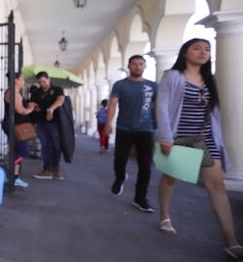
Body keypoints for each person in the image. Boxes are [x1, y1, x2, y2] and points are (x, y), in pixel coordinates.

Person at [156, 38, 243, 260]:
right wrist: (166, 137)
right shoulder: (172, 76)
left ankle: (230, 241)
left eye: (207, 49)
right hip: (180, 136)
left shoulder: (209, 80)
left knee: (217, 185)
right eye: (197, 48)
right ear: (185, 52)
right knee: (171, 178)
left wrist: (220, 139)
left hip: (207, 138)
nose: (203, 52)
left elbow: (214, 113)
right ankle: (165, 215)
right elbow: (163, 107)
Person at [104, 55, 157, 213]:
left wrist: (163, 129)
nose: (137, 66)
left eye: (140, 64)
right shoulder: (120, 85)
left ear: (145, 66)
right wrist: (108, 124)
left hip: (146, 129)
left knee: (145, 166)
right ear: (129, 66)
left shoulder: (153, 86)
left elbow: (159, 106)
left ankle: (140, 198)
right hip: (124, 128)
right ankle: (120, 177)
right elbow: (113, 105)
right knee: (119, 160)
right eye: (134, 64)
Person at [1, 73, 36, 188]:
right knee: (23, 151)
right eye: (22, 79)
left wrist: (30, 107)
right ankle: (6, 169)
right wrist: (30, 108)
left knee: (17, 151)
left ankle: (14, 177)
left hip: (17, 126)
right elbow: (21, 111)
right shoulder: (13, 93)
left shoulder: (14, 92)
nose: (24, 81)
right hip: (15, 126)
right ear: (16, 80)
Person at [31, 71, 65, 180]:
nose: (42, 84)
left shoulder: (57, 89)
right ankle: (46, 169)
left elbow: (61, 99)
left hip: (54, 123)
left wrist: (51, 108)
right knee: (45, 145)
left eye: (44, 81)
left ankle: (55, 169)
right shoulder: (36, 92)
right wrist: (34, 107)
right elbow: (32, 104)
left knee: (56, 145)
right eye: (40, 82)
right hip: (41, 122)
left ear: (48, 79)